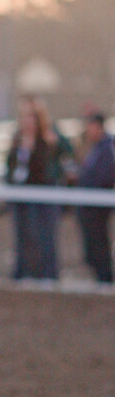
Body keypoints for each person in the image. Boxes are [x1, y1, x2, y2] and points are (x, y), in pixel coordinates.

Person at [5, 97, 60, 280]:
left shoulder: (47, 142)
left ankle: (47, 274)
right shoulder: (17, 142)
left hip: (41, 197)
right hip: (20, 196)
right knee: (23, 236)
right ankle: (23, 272)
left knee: (43, 236)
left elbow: (47, 169)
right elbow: (11, 168)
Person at [75, 112, 115, 283]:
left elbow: (104, 177)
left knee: (99, 245)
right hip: (89, 205)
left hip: (98, 206)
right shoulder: (94, 148)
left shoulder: (107, 148)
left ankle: (105, 279)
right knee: (93, 246)